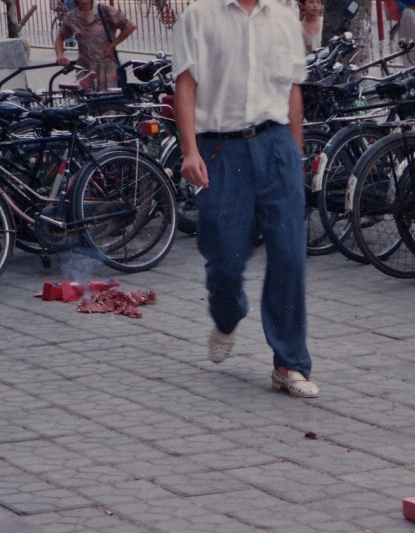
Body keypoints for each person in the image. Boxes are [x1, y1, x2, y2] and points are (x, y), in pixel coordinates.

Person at [171, 0, 319, 398]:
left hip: (275, 145)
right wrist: (189, 151)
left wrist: (294, 153)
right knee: (224, 255)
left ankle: (290, 363)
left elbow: (292, 89)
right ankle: (227, 313)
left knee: (289, 255)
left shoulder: (284, 19)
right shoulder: (199, 17)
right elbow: (185, 85)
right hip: (221, 151)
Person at [53, 0, 136, 90]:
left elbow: (130, 26)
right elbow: (60, 37)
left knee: (107, 100)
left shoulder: (105, 11)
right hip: (84, 69)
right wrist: (60, 56)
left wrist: (113, 45)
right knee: (84, 101)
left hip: (106, 68)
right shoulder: (71, 17)